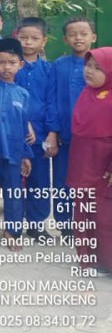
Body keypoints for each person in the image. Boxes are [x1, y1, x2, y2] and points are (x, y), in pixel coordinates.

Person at [48, 16, 96, 241]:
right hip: (66, 137)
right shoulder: (59, 65)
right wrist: (54, 131)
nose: (79, 37)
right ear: (66, 39)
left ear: (93, 37)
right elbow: (52, 100)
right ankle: (66, 225)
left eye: (84, 33)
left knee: (91, 182)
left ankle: (90, 224)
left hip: (94, 138)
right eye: (73, 34)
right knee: (62, 181)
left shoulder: (102, 64)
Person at [0, 39, 33, 251]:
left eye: (12, 62)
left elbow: (23, 126)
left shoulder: (22, 94)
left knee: (14, 195)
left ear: (20, 64)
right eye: (1, 62)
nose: (6, 67)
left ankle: (12, 232)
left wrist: (25, 154)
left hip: (13, 153)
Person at [67, 48, 112, 273]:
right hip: (83, 163)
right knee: (83, 212)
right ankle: (88, 260)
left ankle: (107, 261)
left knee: (104, 216)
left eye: (98, 68)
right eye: (88, 66)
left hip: (105, 167)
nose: (90, 71)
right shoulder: (87, 93)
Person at [14, 17, 58, 243]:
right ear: (16, 37)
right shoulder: (10, 66)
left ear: (44, 41)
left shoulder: (49, 70)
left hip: (40, 134)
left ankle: (37, 225)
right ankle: (13, 226)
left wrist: (52, 132)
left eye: (34, 38)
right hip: (13, 133)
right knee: (13, 180)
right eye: (23, 38)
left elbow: (52, 102)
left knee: (40, 181)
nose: (28, 43)